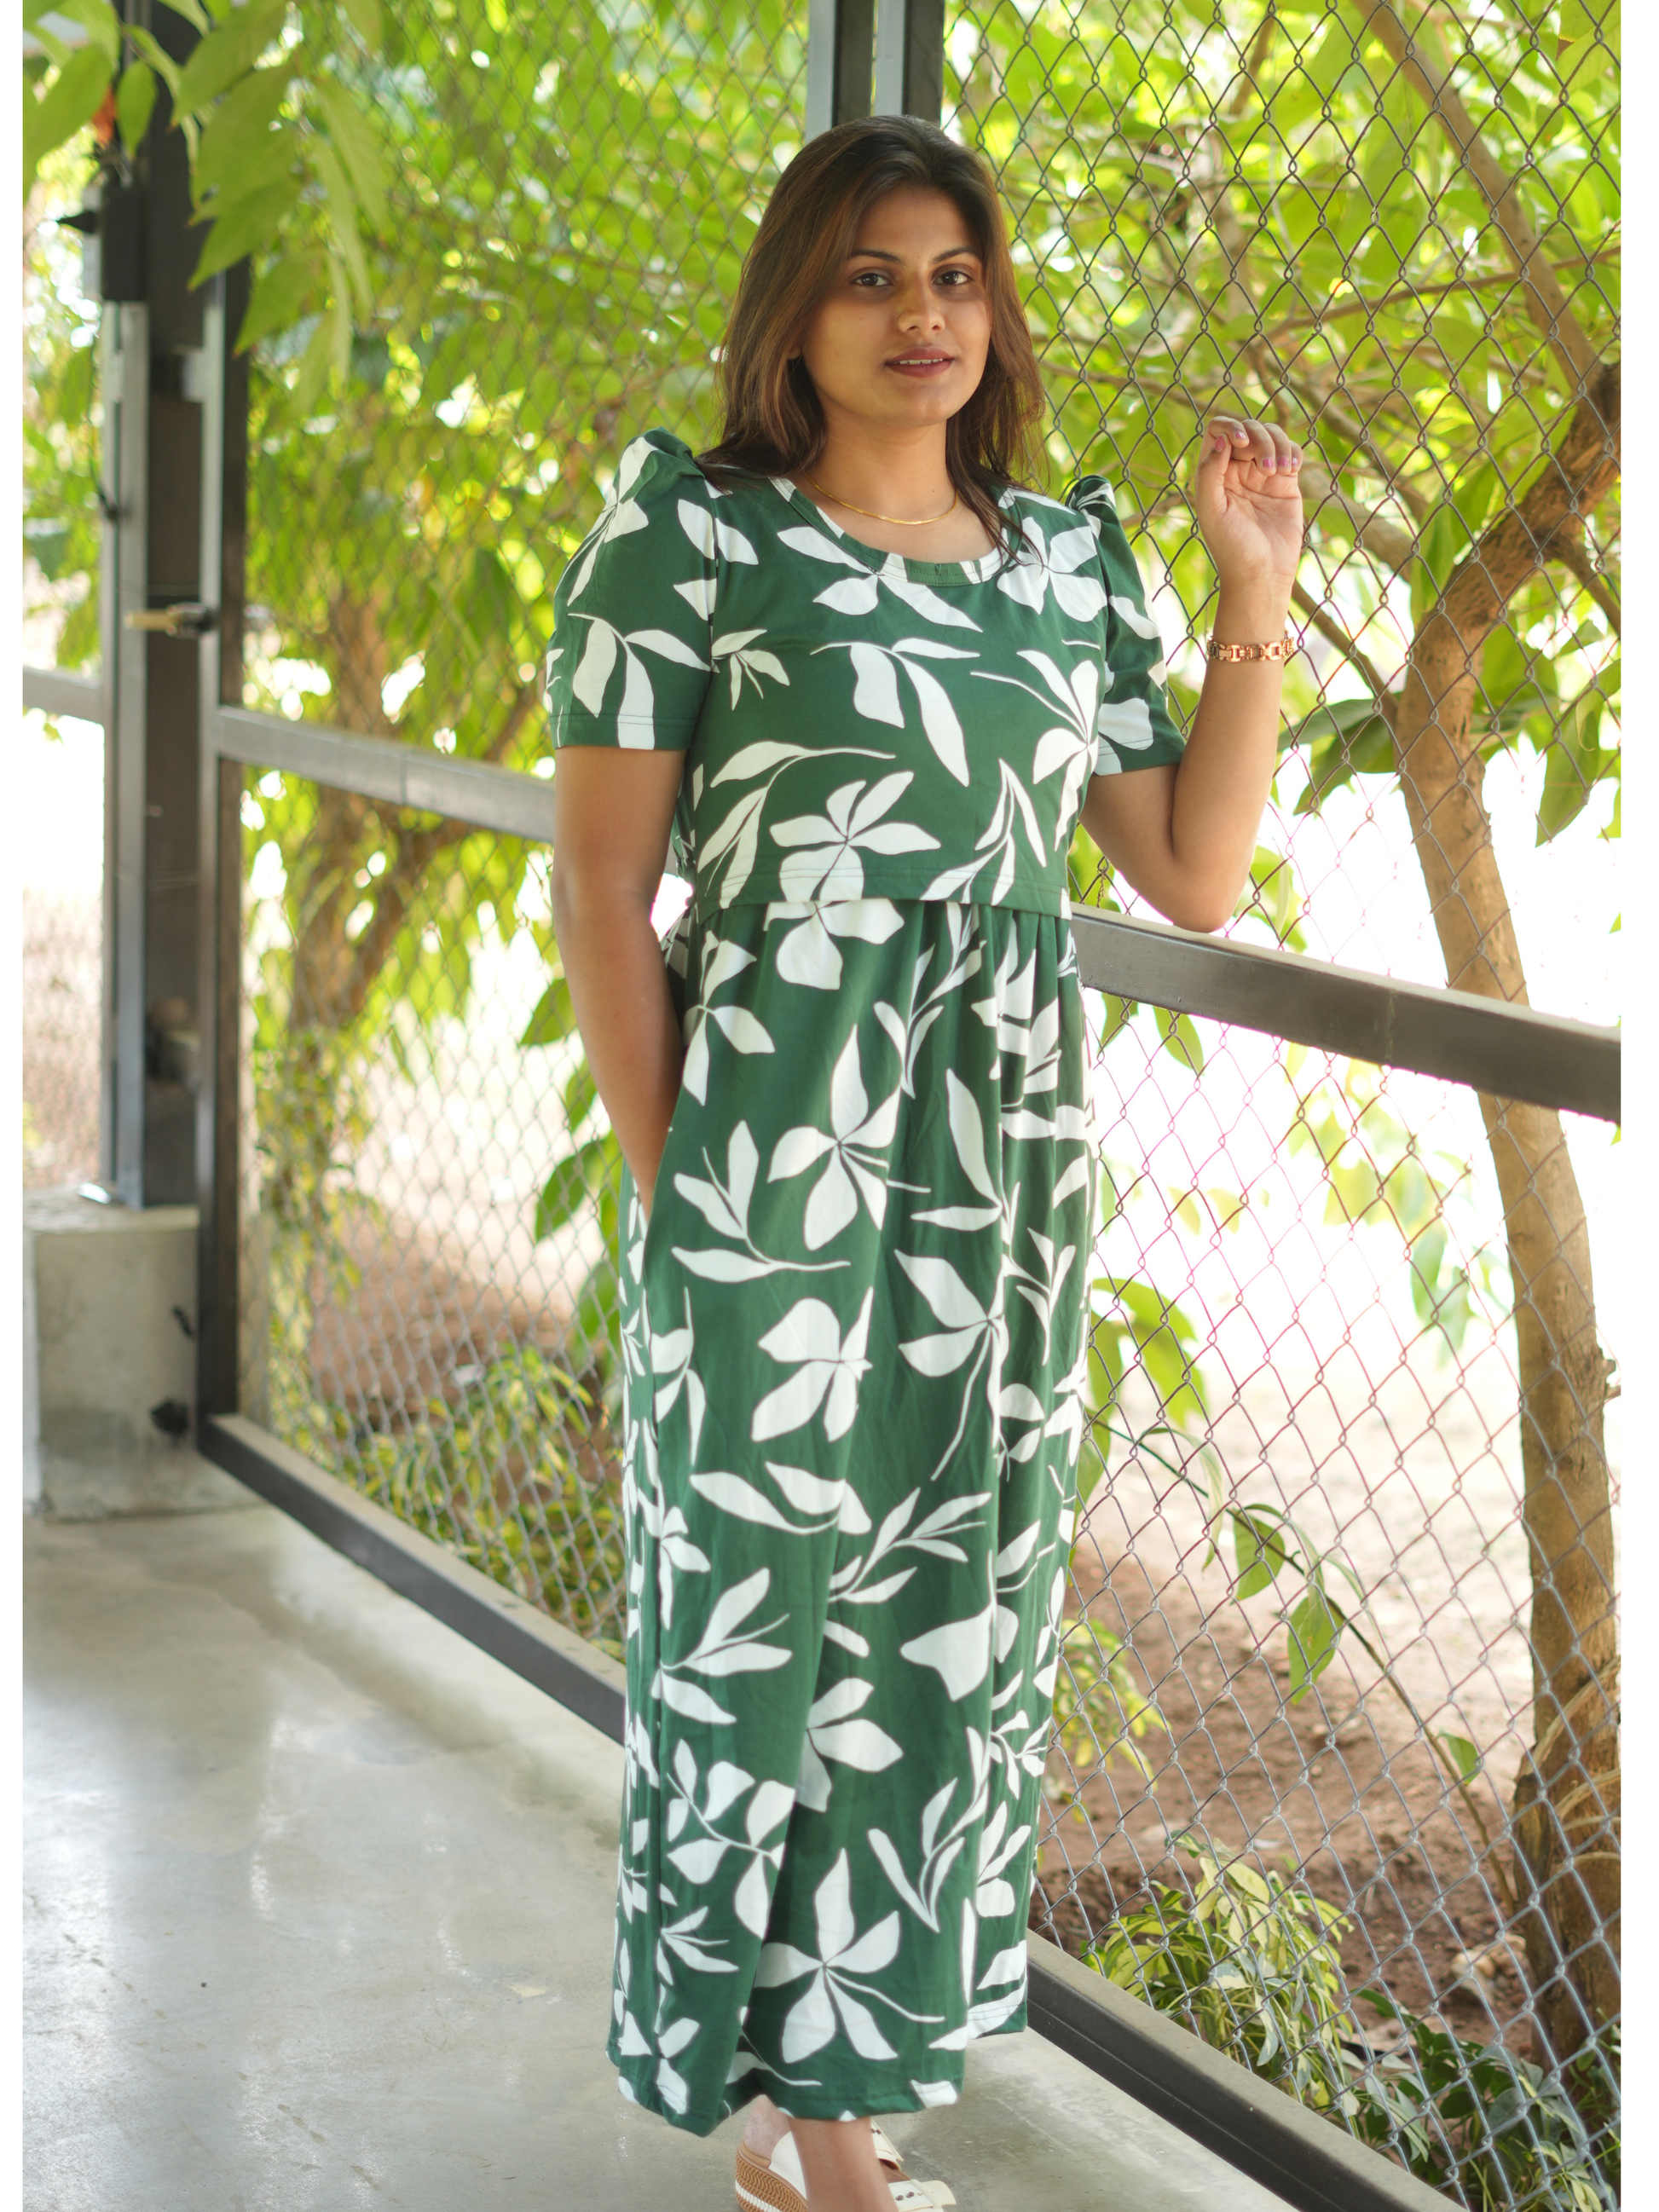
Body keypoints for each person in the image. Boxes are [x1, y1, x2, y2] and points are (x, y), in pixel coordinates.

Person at [547, 114, 1302, 2212]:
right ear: (795, 304)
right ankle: (814, 2142)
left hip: (996, 1171)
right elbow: (606, 892)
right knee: (756, 1617)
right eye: (872, 274)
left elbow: (1195, 868)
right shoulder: (689, 541)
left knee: (939, 1632)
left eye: (954, 275)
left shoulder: (1068, 566)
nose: (921, 315)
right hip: (765, 1149)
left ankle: (836, 2134)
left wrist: (1254, 595)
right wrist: (685, 1180)